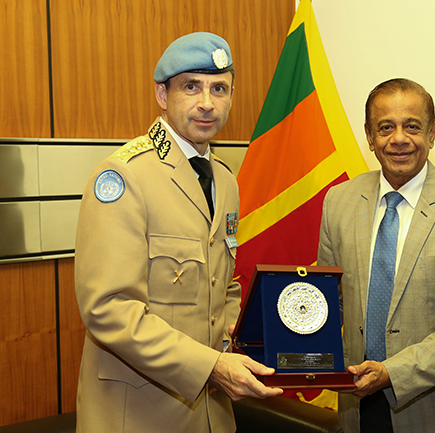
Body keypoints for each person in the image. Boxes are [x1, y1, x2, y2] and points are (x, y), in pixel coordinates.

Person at [75, 32, 282, 433]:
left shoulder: (225, 180)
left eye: (219, 89)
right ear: (162, 94)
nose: (207, 103)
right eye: (191, 86)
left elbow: (224, 287)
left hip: (211, 412)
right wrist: (212, 367)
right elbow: (109, 309)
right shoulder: (124, 176)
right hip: (138, 412)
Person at [317, 78, 435, 433]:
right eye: (385, 127)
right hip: (356, 408)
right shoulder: (338, 201)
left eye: (412, 126)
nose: (399, 138)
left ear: (432, 134)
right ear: (369, 137)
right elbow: (328, 300)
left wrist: (392, 373)